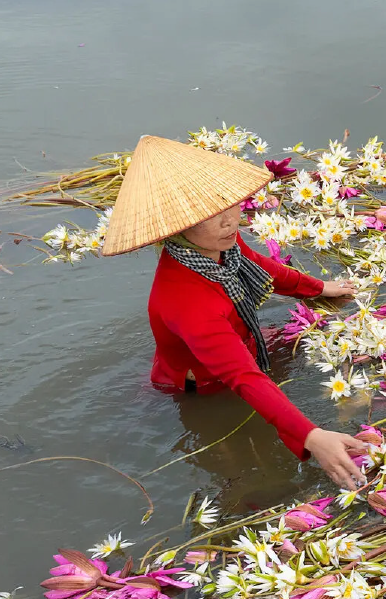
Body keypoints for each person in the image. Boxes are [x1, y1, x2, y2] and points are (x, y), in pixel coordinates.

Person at [101, 135, 368, 490]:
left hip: (240, 341)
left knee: (303, 344)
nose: (230, 222)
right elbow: (242, 376)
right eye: (211, 216)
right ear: (177, 229)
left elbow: (260, 265)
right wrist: (312, 436)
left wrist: (319, 288)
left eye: (230, 205)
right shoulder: (187, 301)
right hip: (207, 381)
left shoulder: (220, 244)